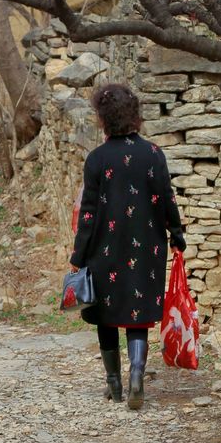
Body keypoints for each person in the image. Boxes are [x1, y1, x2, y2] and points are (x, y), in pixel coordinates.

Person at [69, 83, 186, 410]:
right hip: (146, 247)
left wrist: (78, 256)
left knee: (105, 315)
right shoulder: (153, 154)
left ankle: (114, 384)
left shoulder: (96, 159)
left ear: (103, 118)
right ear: (135, 114)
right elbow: (167, 200)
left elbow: (89, 214)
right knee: (138, 315)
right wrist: (177, 236)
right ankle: (137, 376)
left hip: (104, 248)